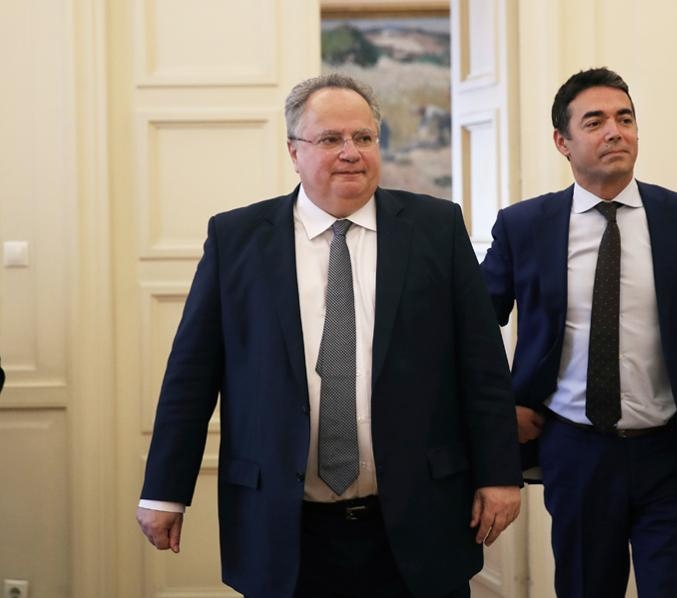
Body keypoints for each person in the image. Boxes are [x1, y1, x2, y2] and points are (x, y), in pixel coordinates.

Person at [136, 74, 522, 598]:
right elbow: (191, 375)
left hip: (418, 519)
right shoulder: (237, 239)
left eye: (364, 137)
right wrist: (165, 491)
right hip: (285, 526)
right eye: (331, 139)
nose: (350, 152)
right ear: (293, 151)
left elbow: (482, 364)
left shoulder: (436, 228)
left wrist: (499, 473)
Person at [480, 67, 677, 598]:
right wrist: (500, 407)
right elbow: (473, 326)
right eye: (595, 122)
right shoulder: (525, 226)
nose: (615, 131)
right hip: (576, 451)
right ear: (562, 141)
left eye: (624, 119)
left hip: (673, 451)